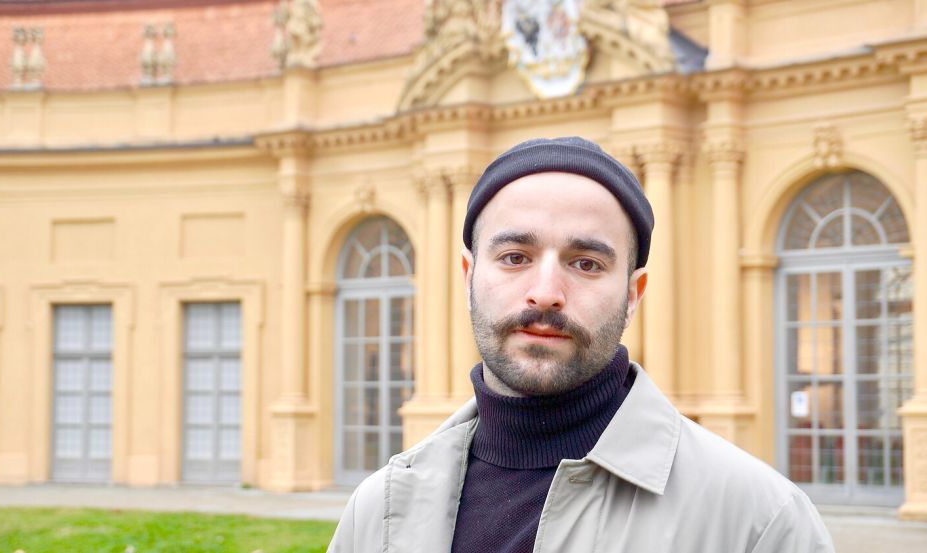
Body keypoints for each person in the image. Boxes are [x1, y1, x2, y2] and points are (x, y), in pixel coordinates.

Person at [327, 137, 834, 553]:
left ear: (633, 295)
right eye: (513, 256)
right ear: (469, 276)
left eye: (586, 263)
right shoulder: (378, 512)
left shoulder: (758, 523)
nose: (545, 292)